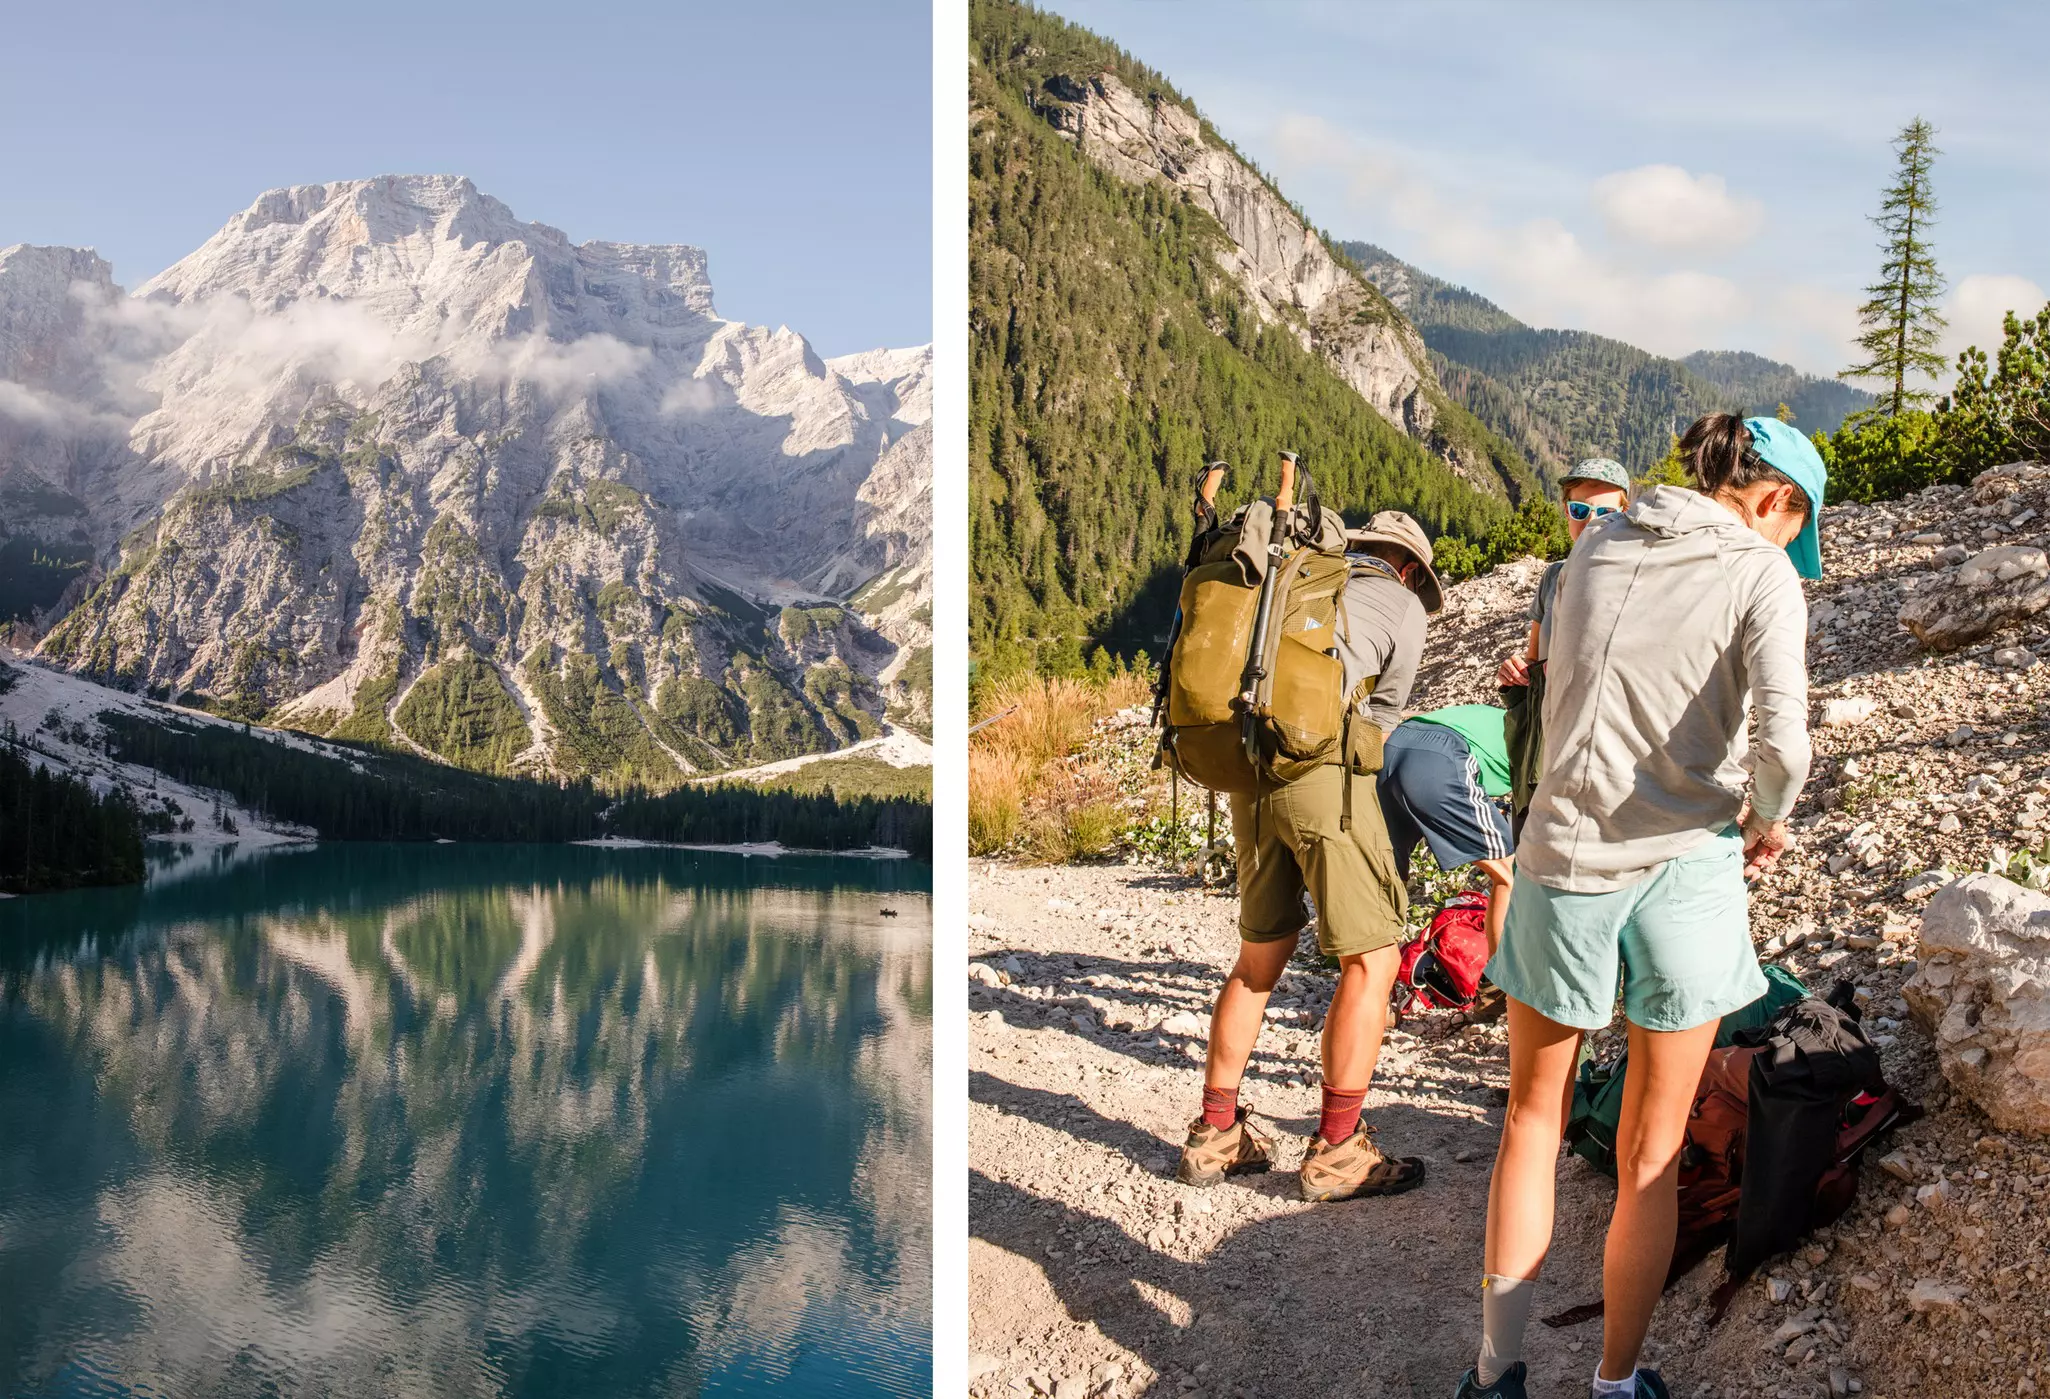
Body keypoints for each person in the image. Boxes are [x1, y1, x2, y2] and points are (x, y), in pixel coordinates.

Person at [1455, 415, 1824, 1399]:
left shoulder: (1595, 545)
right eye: (1794, 524)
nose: (1787, 542)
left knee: (1532, 1122)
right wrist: (1767, 818)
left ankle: (1495, 1373)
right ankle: (1617, 1382)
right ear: (1773, 499)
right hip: (1685, 870)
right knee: (1651, 1154)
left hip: (1562, 859)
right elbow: (1782, 749)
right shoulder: (1760, 572)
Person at [1176, 511, 1442, 1203]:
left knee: (1259, 957)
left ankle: (1216, 1134)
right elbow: (1379, 723)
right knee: (1372, 959)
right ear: (1410, 567)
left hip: (1250, 779)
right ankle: (1338, 1149)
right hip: (1323, 781)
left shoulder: (1291, 587)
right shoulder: (1405, 606)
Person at [1498, 458, 1632, 837]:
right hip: (1546, 741)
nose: (1591, 521)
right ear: (1566, 510)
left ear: (1625, 512)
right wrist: (1515, 671)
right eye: (1580, 509)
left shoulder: (1636, 580)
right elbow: (1534, 659)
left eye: (1606, 512)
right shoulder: (1553, 576)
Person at [1377, 703, 1515, 954]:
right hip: (1443, 754)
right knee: (1509, 874)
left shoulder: (1502, 715)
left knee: (1386, 877)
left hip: (1393, 747)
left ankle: (1374, 972)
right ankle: (1500, 984)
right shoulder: (1544, 735)